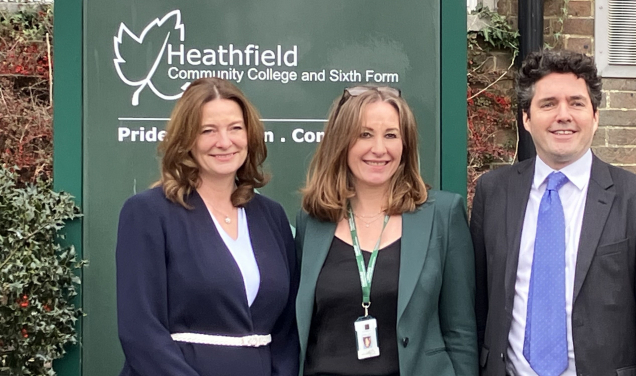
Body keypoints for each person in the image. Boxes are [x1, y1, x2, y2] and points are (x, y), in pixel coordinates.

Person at [471, 49, 636, 376]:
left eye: (576, 102)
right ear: (526, 118)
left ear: (595, 116)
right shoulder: (494, 192)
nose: (563, 115)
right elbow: (478, 306)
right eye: (548, 103)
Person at [115, 77, 299, 376]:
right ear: (186, 139)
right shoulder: (148, 213)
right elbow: (141, 331)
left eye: (235, 128)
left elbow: (287, 331)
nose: (224, 142)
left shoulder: (272, 217)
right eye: (207, 131)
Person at [295, 85, 477, 376]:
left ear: (405, 145)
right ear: (341, 142)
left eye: (391, 135)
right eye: (365, 134)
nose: (379, 149)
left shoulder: (443, 214)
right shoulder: (313, 221)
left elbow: (461, 332)